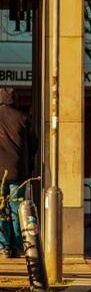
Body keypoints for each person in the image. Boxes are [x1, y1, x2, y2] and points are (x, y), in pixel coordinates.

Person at [0, 88, 34, 259]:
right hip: (17, 172)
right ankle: (17, 245)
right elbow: (33, 144)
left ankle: (3, 245)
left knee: (0, 210)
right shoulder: (23, 118)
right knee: (16, 210)